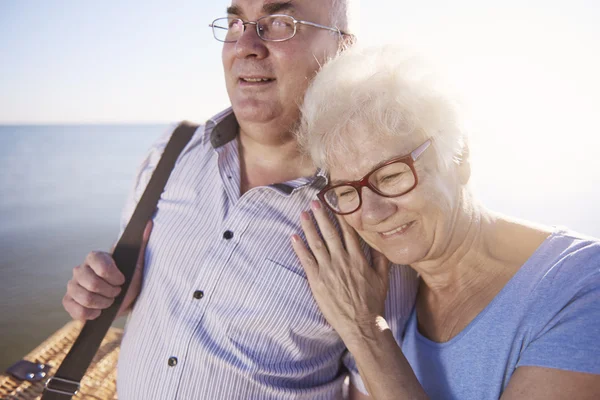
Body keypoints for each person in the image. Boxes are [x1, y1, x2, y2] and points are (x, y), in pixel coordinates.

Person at [62, 2, 418, 399]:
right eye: (235, 23)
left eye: (280, 22)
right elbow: (132, 277)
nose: (245, 45)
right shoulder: (171, 152)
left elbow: (373, 388)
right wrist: (110, 290)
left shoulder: (369, 213)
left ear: (342, 50)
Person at [291, 45, 600, 399]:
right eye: (347, 192)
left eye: (391, 176)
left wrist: (365, 332)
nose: (373, 213)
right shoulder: (387, 297)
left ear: (459, 156)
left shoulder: (582, 285)